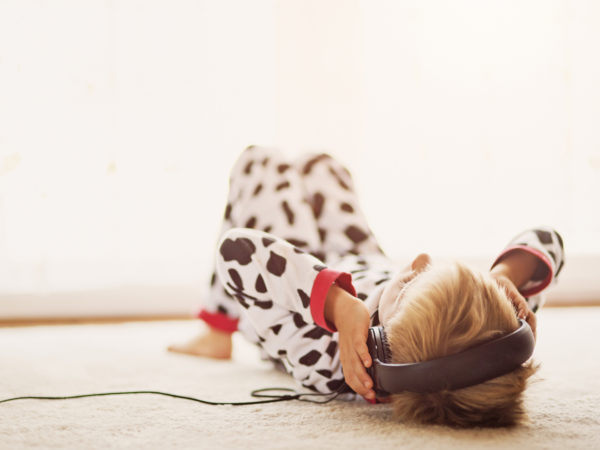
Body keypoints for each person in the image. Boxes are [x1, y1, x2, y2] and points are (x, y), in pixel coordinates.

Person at [169, 146, 565, 427]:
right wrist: (500, 282)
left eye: (411, 282)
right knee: (321, 166)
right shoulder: (492, 335)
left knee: (260, 163)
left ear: (380, 346)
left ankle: (217, 329)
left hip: (295, 290)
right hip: (359, 261)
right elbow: (549, 240)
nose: (420, 261)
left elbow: (238, 251)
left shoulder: (328, 364)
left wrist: (340, 307)